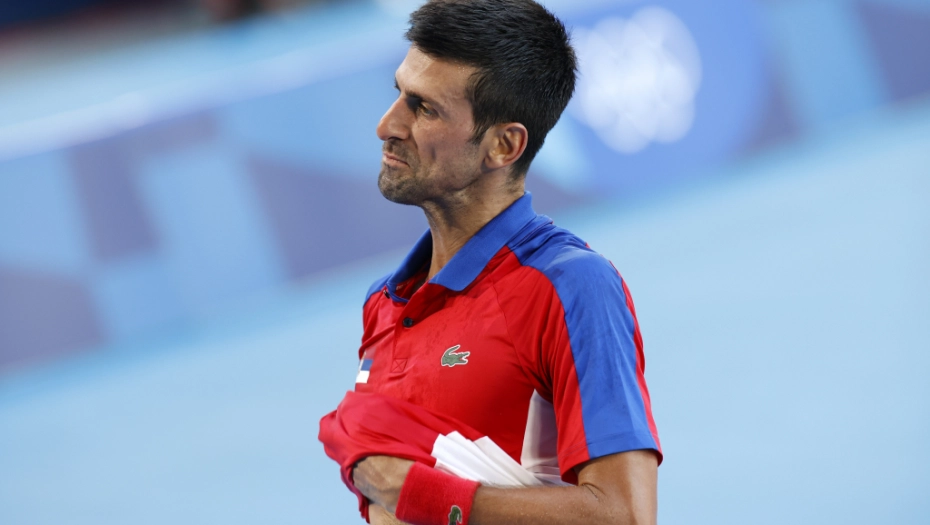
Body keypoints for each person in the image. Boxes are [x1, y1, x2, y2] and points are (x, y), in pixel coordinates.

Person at [343, 1, 662, 523]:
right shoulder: (384, 303)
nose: (387, 125)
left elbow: (623, 514)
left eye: (424, 109)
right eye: (398, 93)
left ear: (503, 145)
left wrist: (423, 494)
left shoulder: (571, 285)